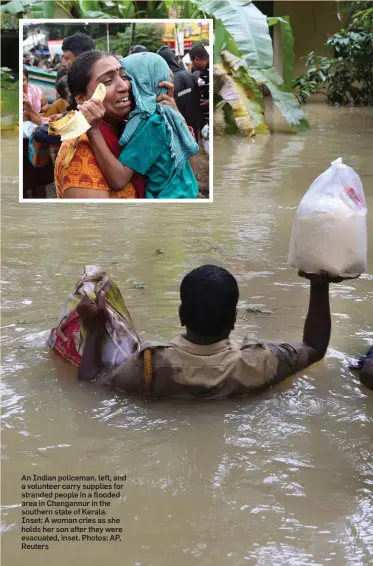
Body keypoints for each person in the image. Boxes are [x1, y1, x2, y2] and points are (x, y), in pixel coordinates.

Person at [76, 265, 358, 398]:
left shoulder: (148, 366)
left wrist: (95, 331)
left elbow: (89, 386)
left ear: (181, 315)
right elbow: (315, 347)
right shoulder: (260, 362)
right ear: (234, 319)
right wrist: (319, 285)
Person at [54, 50, 177, 199]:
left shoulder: (134, 127)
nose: (124, 86)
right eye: (107, 81)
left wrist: (174, 117)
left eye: (124, 76)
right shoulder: (78, 152)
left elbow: (185, 172)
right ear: (81, 98)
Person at [80, 51, 199, 199]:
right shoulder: (170, 115)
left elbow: (119, 180)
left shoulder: (152, 124)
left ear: (143, 85)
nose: (124, 86)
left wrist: (93, 131)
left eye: (127, 78)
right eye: (110, 80)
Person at [157, 45, 203, 141]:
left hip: (179, 129)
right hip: (193, 128)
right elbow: (198, 100)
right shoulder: (191, 76)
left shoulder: (167, 82)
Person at [189, 43, 209, 126]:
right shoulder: (195, 71)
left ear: (196, 59)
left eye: (192, 61)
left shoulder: (214, 69)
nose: (192, 65)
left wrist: (198, 107)